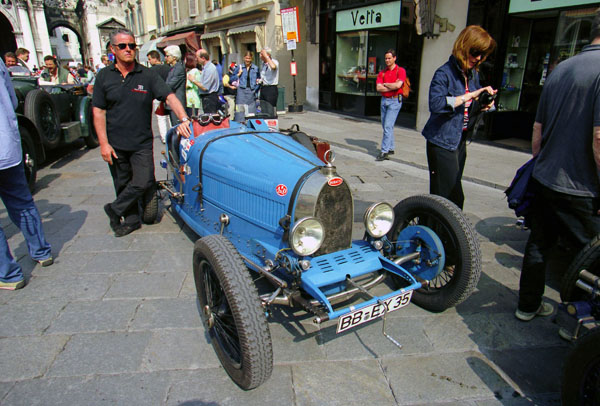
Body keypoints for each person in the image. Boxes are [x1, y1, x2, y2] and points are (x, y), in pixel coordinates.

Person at [515, 11, 600, 322]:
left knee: (539, 244)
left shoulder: (561, 69)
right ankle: (573, 320)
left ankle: (527, 305)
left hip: (546, 176)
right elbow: (599, 138)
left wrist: (543, 164)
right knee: (588, 258)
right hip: (582, 186)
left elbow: (536, 133)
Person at [92, 29, 191, 237]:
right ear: (113, 49)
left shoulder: (147, 75)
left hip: (142, 143)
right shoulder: (104, 76)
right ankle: (130, 220)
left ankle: (114, 209)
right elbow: (98, 112)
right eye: (123, 46)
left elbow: (170, 97)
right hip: (115, 142)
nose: (128, 49)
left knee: (144, 180)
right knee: (122, 182)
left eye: (131, 46)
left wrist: (183, 118)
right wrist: (103, 143)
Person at [421, 25, 496, 210]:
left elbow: (471, 106)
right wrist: (470, 96)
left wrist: (485, 105)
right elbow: (436, 104)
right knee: (450, 197)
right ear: (464, 46)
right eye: (475, 52)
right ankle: (437, 235)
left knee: (445, 197)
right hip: (441, 141)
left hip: (459, 140)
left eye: (482, 54)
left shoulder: (472, 75)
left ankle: (437, 234)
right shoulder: (444, 73)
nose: (478, 58)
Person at [0, 59, 53, 290]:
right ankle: (41, 252)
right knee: (21, 202)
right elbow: (11, 99)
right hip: (6, 145)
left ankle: (8, 274)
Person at [375, 49, 406, 161]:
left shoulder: (400, 70)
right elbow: (378, 88)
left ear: (394, 58)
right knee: (386, 125)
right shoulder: (382, 73)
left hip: (395, 101)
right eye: (386, 58)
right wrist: (391, 86)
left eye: (389, 58)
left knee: (387, 126)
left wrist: (386, 85)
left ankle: (384, 151)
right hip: (384, 100)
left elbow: (399, 85)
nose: (387, 60)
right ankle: (391, 147)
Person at [147, 50, 172, 143]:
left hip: (157, 96)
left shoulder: (150, 71)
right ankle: (172, 134)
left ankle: (164, 137)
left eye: (149, 59)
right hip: (168, 94)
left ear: (155, 58)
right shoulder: (168, 68)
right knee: (170, 115)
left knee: (161, 117)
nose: (149, 61)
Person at [164, 45, 186, 126]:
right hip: (172, 104)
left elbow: (170, 85)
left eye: (167, 56)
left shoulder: (179, 69)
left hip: (177, 103)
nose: (165, 58)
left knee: (178, 127)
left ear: (174, 57)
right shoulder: (173, 68)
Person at [236, 51, 260, 119]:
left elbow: (259, 80)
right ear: (244, 58)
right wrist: (238, 74)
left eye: (249, 58)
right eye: (246, 58)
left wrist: (255, 89)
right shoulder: (239, 67)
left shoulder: (255, 68)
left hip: (251, 90)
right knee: (240, 110)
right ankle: (240, 123)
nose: (247, 60)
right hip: (241, 91)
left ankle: (251, 124)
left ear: (251, 59)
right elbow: (232, 78)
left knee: (251, 111)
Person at [195, 49, 220, 114]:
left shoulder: (210, 68)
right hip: (207, 98)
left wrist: (193, 80)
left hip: (210, 98)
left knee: (210, 118)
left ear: (203, 58)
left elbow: (205, 87)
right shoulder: (205, 68)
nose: (196, 59)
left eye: (197, 58)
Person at [258, 47, 279, 118]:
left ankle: (272, 123)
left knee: (270, 110)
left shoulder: (274, 62)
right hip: (263, 88)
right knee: (263, 109)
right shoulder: (263, 64)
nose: (260, 55)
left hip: (271, 88)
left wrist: (267, 57)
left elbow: (273, 67)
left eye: (262, 54)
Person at [185, 52, 203, 116]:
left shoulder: (194, 71)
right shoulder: (188, 71)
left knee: (192, 118)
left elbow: (189, 85)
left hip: (192, 99)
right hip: (187, 99)